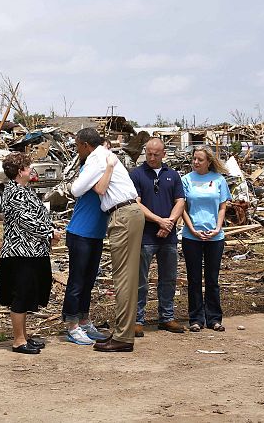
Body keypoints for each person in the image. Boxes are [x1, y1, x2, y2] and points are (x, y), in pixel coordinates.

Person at [71, 128, 145, 352]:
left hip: (122, 215)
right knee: (127, 277)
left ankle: (123, 337)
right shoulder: (106, 157)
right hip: (128, 213)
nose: (76, 150)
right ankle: (123, 332)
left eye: (77, 146)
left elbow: (76, 190)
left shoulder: (96, 159)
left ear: (85, 145)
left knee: (123, 278)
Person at [0, 153, 61, 354]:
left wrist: (51, 229)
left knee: (28, 295)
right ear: (19, 171)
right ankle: (18, 340)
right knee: (20, 295)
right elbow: (26, 220)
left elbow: (39, 215)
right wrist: (49, 232)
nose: (31, 170)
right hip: (20, 252)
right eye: (28, 167)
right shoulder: (13, 192)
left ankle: (24, 336)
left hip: (35, 251)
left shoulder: (26, 190)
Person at [130, 138, 186, 336]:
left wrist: (169, 222)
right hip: (145, 236)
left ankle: (167, 317)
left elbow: (180, 201)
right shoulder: (136, 174)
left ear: (164, 154)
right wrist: (159, 221)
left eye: (156, 154)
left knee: (169, 279)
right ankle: (137, 319)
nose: (152, 158)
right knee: (140, 280)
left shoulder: (173, 175)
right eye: (149, 154)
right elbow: (136, 203)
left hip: (168, 237)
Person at [180, 145, 231, 332]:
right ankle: (195, 318)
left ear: (209, 161)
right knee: (194, 279)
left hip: (215, 237)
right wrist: (192, 229)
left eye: (200, 160)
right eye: (194, 159)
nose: (196, 162)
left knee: (212, 278)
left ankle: (214, 318)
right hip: (191, 236)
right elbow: (182, 208)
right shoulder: (185, 180)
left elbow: (222, 207)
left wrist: (218, 228)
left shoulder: (219, 180)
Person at [62, 151, 110, 345]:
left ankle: (84, 320)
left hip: (96, 234)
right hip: (80, 233)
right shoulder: (90, 170)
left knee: (89, 281)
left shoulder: (105, 171)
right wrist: (111, 166)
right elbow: (100, 189)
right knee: (77, 282)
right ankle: (72, 326)